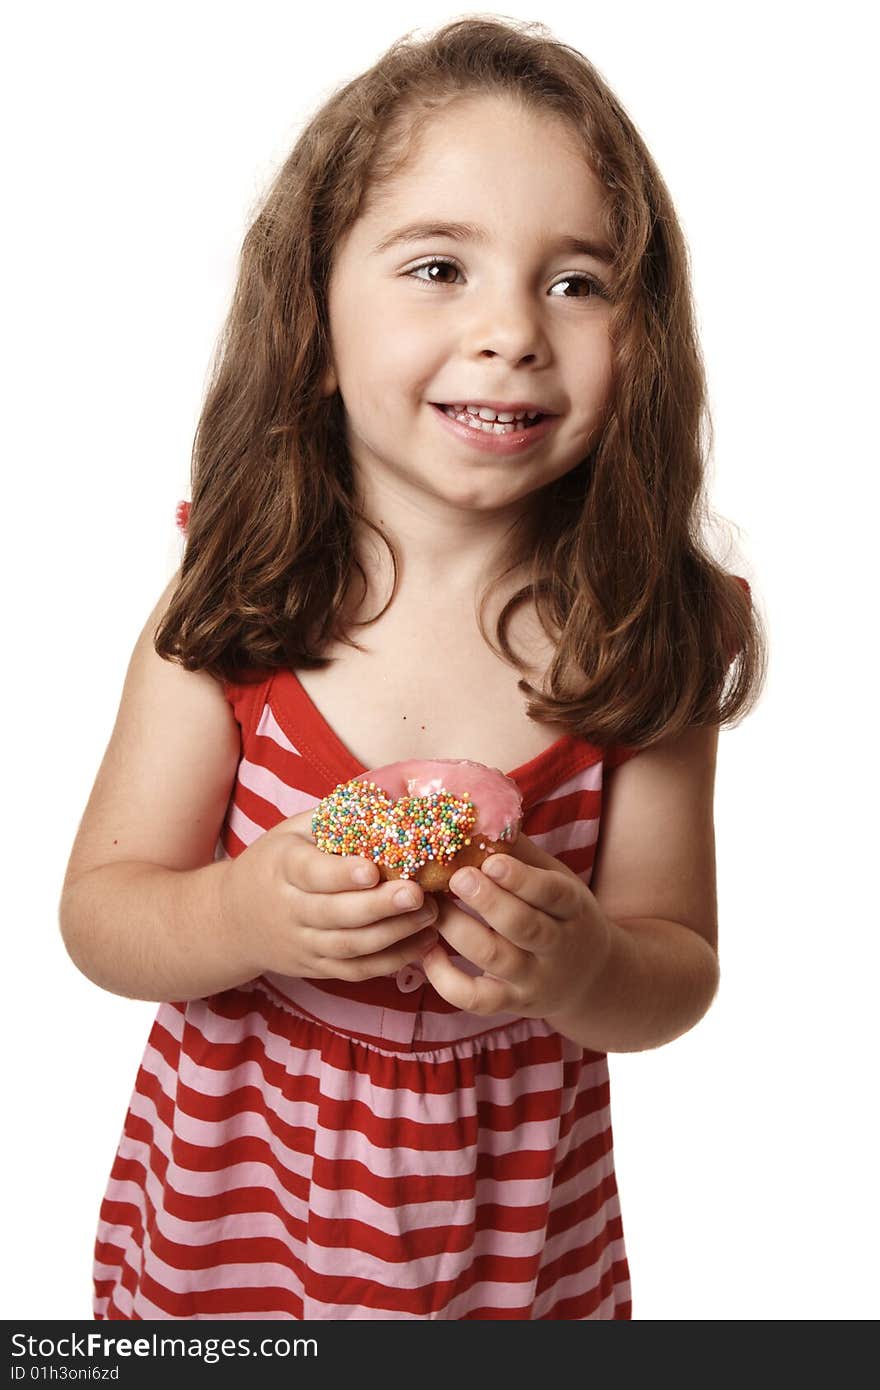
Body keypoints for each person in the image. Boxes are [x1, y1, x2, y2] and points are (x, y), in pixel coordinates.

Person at [59, 16, 766, 1321]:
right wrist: (250, 912)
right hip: (238, 1235)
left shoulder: (640, 630)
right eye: (440, 266)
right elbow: (101, 914)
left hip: (512, 1250)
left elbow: (679, 965)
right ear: (316, 325)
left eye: (577, 282)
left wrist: (586, 962)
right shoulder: (239, 602)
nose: (512, 329)